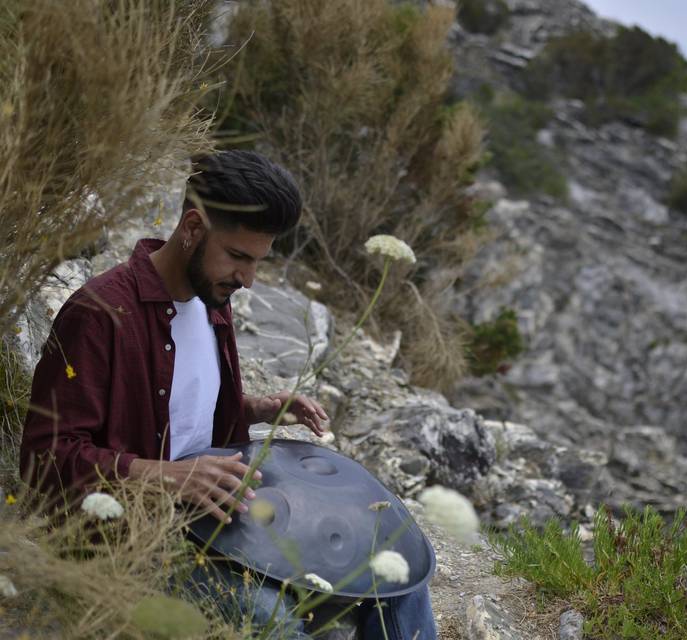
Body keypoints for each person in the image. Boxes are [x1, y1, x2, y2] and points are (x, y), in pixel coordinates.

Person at [19, 150, 437, 640]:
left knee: (396, 567)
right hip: (134, 541)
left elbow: (172, 408)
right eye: (238, 257)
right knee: (271, 620)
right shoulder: (100, 313)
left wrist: (256, 409)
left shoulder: (212, 302)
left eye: (258, 261)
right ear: (192, 228)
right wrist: (167, 477)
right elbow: (45, 459)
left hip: (216, 519)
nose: (248, 278)